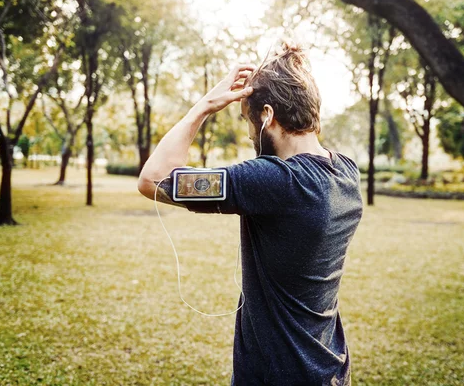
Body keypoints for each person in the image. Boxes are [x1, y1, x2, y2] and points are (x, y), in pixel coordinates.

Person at [138, 41, 363, 385]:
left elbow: (152, 178)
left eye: (246, 119)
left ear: (267, 116)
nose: (247, 133)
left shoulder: (275, 181)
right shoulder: (346, 171)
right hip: (330, 368)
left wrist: (203, 106)